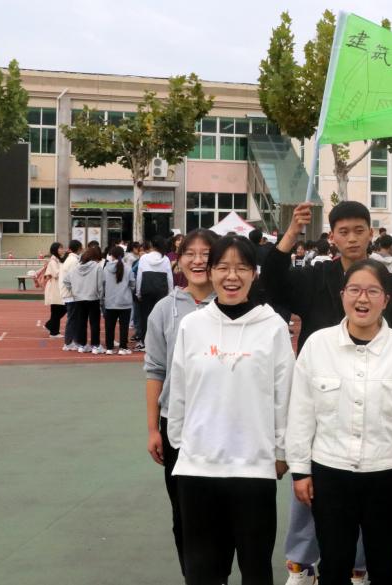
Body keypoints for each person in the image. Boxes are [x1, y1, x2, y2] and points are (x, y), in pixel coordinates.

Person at [263, 200, 392, 584]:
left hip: (374, 400)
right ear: (331, 237)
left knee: (369, 505)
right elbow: (271, 282)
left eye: (359, 230)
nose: (352, 238)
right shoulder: (315, 277)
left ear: (371, 233)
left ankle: (360, 568)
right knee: (311, 493)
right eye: (344, 232)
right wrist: (292, 233)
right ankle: (300, 564)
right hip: (323, 400)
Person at [287, 259, 392, 585]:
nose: (363, 299)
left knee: (386, 566)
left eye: (373, 291)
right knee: (334, 564)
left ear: (386, 299)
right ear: (342, 295)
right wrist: (300, 470)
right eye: (355, 290)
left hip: (388, 474)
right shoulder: (317, 346)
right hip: (330, 472)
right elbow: (301, 412)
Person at [167, 235, 294, 585]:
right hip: (198, 469)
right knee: (202, 570)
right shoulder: (193, 326)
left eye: (241, 268)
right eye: (223, 267)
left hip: (254, 468)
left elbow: (284, 394)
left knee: (255, 568)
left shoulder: (273, 327)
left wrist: (280, 451)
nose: (232, 276)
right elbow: (179, 390)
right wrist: (180, 443)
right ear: (210, 272)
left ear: (254, 274)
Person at [144, 228, 221, 580]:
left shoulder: (232, 305)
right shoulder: (165, 309)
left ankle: (218, 573)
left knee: (223, 509)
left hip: (223, 423)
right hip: (177, 424)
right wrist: (152, 429)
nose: (198, 260)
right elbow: (155, 370)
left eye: (207, 253)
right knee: (184, 512)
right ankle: (195, 575)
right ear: (179, 260)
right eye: (190, 253)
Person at [135, 236, 175, 351]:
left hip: (147, 287)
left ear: (151, 245)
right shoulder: (165, 259)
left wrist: (138, 292)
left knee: (145, 316)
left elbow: (139, 276)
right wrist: (170, 292)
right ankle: (159, 342)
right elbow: (169, 277)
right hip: (161, 289)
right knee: (161, 316)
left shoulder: (144, 258)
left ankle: (145, 341)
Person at [63, 247, 104, 354]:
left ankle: (82, 345)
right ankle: (95, 346)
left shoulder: (76, 268)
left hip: (79, 299)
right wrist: (101, 297)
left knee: (81, 323)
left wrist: (74, 291)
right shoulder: (97, 267)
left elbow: (66, 280)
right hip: (93, 298)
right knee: (94, 323)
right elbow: (100, 285)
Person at [102, 246, 135, 355]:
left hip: (110, 301)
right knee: (124, 326)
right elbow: (132, 283)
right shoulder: (128, 268)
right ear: (123, 255)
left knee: (109, 326)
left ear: (111, 256)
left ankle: (109, 348)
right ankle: (123, 347)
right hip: (125, 301)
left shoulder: (106, 268)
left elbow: (103, 284)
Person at [59, 240, 83, 351]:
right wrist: (76, 292)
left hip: (70, 293)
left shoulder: (71, 259)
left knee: (74, 318)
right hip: (71, 294)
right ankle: (68, 343)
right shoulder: (73, 260)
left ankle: (73, 341)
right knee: (72, 319)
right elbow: (73, 279)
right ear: (79, 248)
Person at [42, 242, 67, 337]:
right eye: (60, 248)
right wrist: (66, 269)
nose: (62, 250)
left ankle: (50, 326)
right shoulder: (53, 261)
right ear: (55, 250)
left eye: (62, 248)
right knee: (57, 309)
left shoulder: (58, 260)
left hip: (58, 288)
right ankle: (54, 332)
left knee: (58, 309)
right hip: (54, 288)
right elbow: (56, 274)